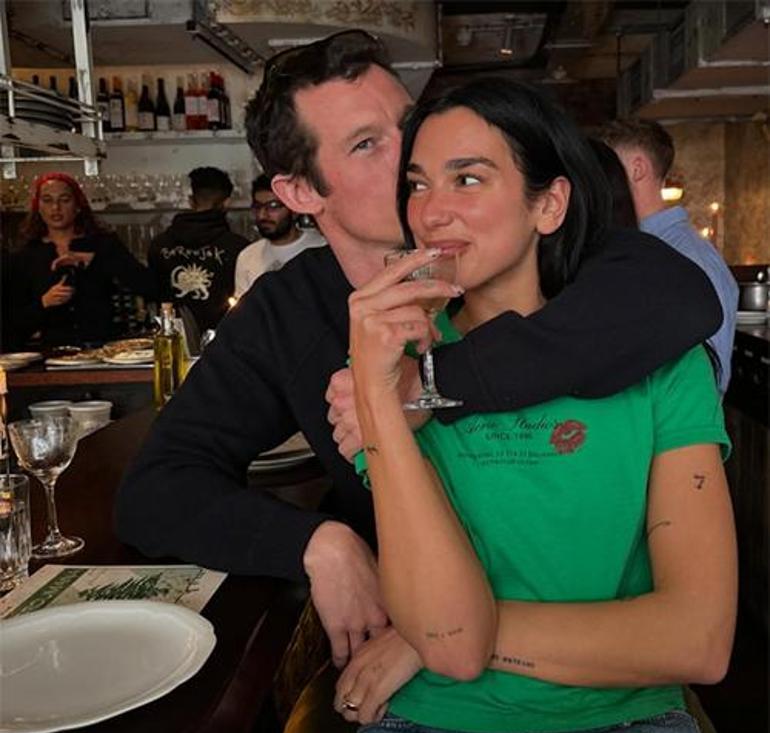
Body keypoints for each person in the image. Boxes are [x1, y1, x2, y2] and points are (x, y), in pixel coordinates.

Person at [115, 30, 722, 686]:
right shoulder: (290, 313)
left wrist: (425, 383)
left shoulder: (555, 262)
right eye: (366, 144)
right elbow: (157, 489)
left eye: (407, 124)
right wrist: (319, 543)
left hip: (582, 660)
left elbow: (683, 297)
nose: (413, 152)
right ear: (299, 192)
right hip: (431, 677)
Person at [335, 77, 736, 733]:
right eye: (418, 184)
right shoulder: (393, 367)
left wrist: (437, 636)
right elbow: (446, 633)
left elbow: (698, 638)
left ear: (549, 205)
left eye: (468, 178)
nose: (431, 211)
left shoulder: (662, 360)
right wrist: (376, 394)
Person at [600, 118, 738, 394]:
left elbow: (705, 381)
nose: (600, 182)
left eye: (608, 170)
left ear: (637, 169)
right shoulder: (639, 248)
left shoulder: (688, 257)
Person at [6, 172, 154, 348]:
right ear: (38, 207)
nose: (56, 207)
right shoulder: (26, 254)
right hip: (53, 353)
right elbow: (12, 325)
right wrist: (44, 302)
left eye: (64, 200)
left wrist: (95, 260)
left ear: (78, 205)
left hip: (106, 350)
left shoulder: (103, 244)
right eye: (47, 200)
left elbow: (148, 286)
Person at [147, 166, 249, 334]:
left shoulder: (159, 245)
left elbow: (153, 296)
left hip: (173, 339)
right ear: (227, 202)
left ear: (191, 200)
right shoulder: (239, 247)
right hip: (225, 340)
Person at [234, 173, 326, 298]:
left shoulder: (321, 247)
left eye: (273, 206)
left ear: (294, 209)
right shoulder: (248, 257)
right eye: (258, 207)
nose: (262, 215)